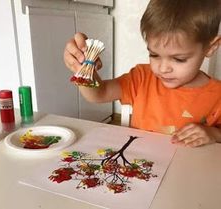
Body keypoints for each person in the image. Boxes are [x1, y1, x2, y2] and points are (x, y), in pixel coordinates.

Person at [64, 0, 221, 147]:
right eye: (154, 55)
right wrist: (83, 70)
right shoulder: (142, 78)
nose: (163, 68)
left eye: (179, 59)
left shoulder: (217, 95)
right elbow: (99, 94)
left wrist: (213, 133)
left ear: (211, 47)